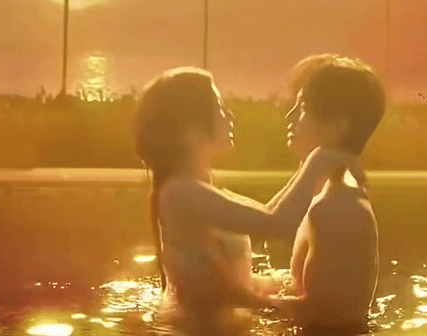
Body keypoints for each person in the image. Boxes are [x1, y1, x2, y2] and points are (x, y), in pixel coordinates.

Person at [133, 67, 365, 336]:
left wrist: (274, 286)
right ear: (190, 129)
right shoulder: (180, 194)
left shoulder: (195, 190)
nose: (229, 115)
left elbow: (266, 217)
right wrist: (320, 159)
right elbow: (278, 223)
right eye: (219, 108)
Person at [269, 54, 386, 335]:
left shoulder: (339, 208)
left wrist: (235, 299)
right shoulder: (327, 194)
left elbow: (329, 320)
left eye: (302, 108)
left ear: (337, 124)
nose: (290, 117)